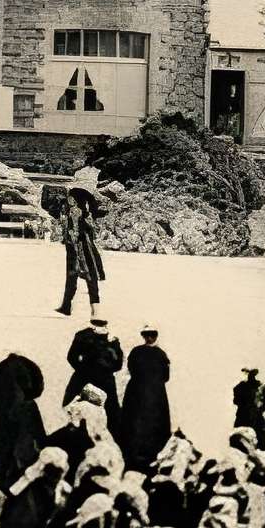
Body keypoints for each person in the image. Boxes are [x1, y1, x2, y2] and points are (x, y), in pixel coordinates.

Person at [115, 326, 174, 471]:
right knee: (147, 423)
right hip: (153, 395)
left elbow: (131, 368)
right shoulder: (160, 354)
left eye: (151, 335)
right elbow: (166, 377)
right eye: (148, 335)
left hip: (140, 393)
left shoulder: (138, 352)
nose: (149, 338)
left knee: (137, 423)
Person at [54, 170, 107, 316]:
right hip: (78, 248)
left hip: (80, 249)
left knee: (82, 277)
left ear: (77, 200)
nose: (69, 200)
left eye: (71, 198)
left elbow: (76, 232)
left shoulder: (76, 213)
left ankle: (71, 307)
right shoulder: (80, 214)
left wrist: (71, 237)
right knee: (86, 278)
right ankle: (72, 307)